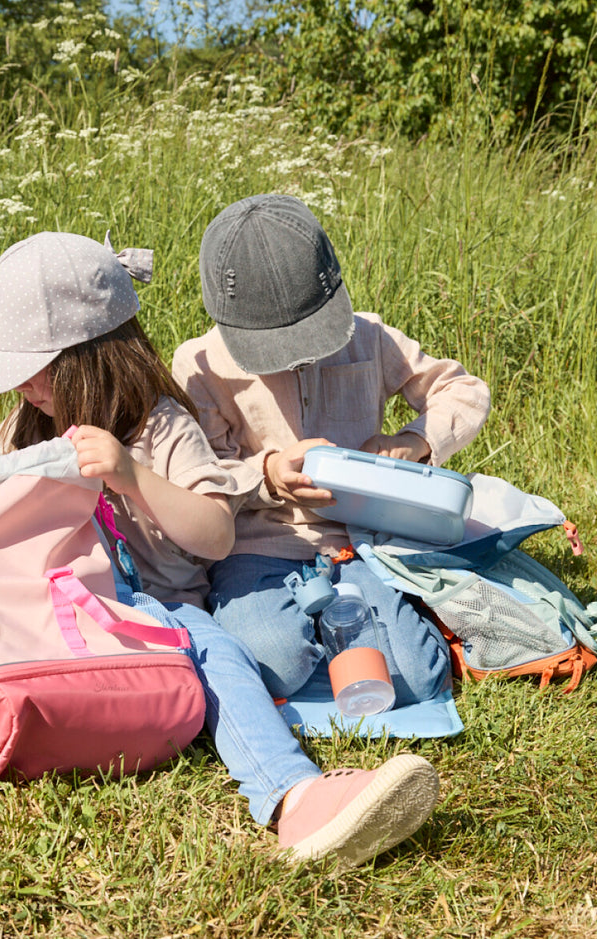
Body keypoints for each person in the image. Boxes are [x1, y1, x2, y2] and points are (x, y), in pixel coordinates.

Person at [0, 231, 439, 867]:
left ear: (95, 356)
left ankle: (293, 794)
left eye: (36, 368)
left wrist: (128, 475)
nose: (22, 386)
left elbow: (215, 532)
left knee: (218, 652)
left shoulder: (162, 427)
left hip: (150, 612)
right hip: (46, 607)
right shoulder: (33, 423)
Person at [171, 194, 492, 708]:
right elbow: (202, 472)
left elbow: (464, 390)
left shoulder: (367, 337)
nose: (297, 357)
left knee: (419, 678)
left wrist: (413, 442)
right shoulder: (200, 364)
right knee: (274, 663)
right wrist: (269, 475)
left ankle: (348, 626)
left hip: (359, 540)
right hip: (259, 545)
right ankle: (327, 633)